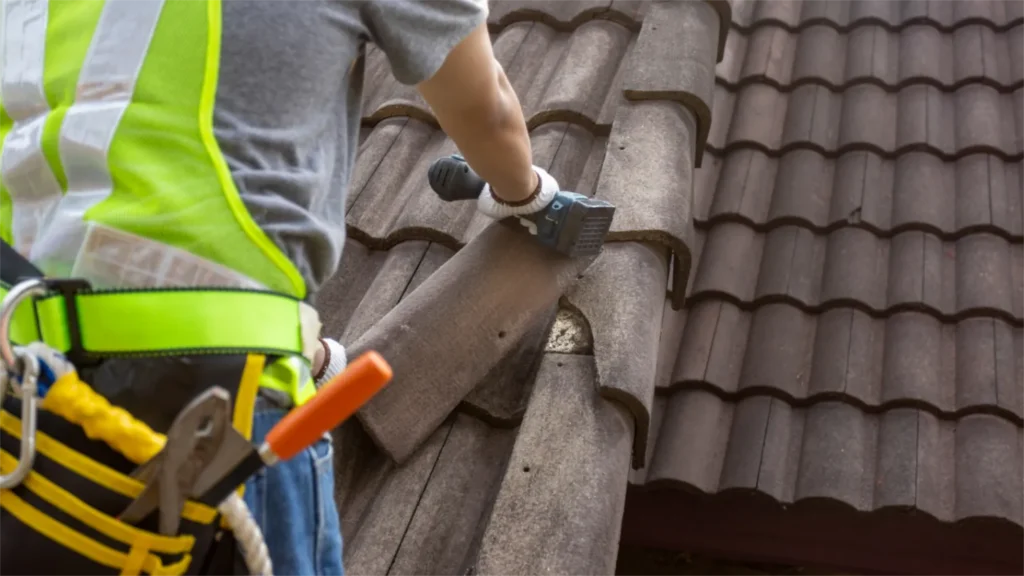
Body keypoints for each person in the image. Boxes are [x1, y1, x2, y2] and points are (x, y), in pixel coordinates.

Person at [0, 0, 560, 574]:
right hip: (216, 398)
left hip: (20, 386)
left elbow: (123, 192)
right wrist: (529, 194)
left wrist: (299, 343)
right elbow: (486, 111)